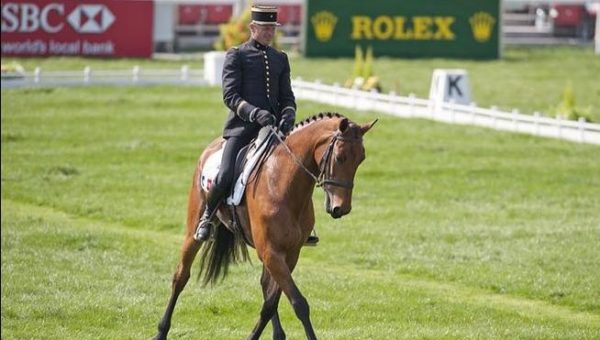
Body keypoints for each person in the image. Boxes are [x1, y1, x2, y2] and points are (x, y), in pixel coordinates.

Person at [195, 6, 318, 245]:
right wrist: (255, 114)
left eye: (272, 28)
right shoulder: (236, 55)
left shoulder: (280, 58)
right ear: (253, 28)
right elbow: (230, 96)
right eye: (265, 28)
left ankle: (303, 225)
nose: (269, 32)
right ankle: (207, 217)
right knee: (226, 173)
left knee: (298, 171)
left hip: (274, 131)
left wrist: (288, 116)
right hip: (242, 129)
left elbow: (287, 96)